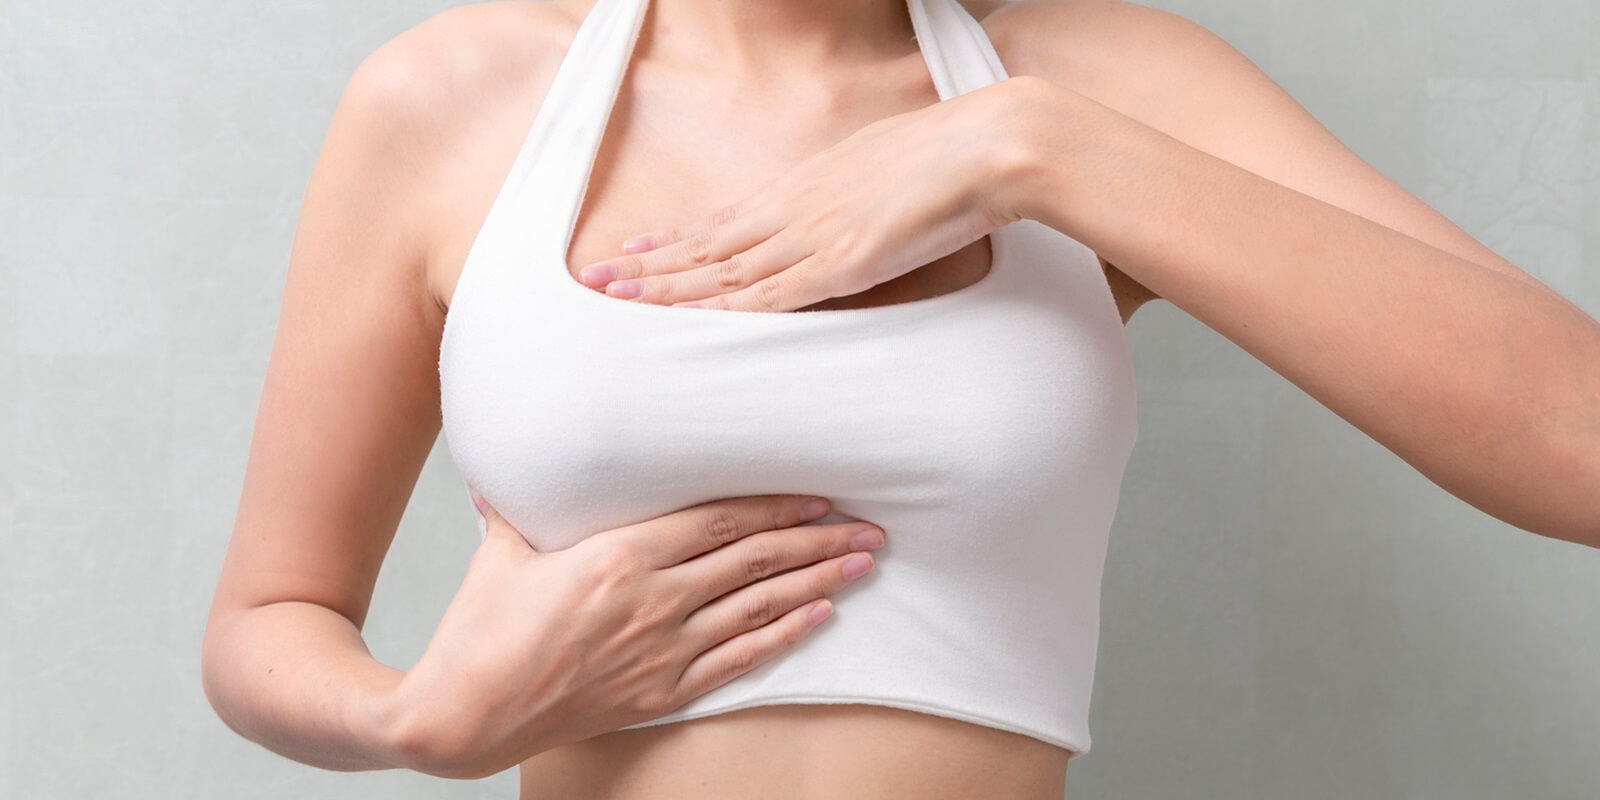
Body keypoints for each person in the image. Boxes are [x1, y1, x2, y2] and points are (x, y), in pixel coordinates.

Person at [202, 0, 1600, 797]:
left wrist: (1042, 153)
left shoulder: (1084, 82)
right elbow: (268, 618)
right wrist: (413, 725)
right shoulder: (453, 99)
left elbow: (1577, 443)